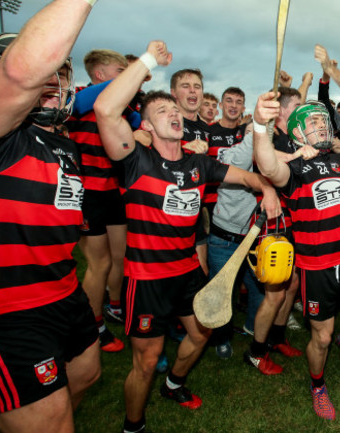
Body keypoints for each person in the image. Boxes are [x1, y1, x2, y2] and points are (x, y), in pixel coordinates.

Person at [93, 40, 280, 433]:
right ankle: (133, 424)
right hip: (145, 279)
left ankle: (174, 384)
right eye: (163, 110)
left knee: (201, 333)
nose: (174, 112)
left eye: (176, 109)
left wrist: (265, 189)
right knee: (147, 359)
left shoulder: (198, 163)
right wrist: (146, 61)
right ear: (145, 126)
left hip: (186, 273)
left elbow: (245, 176)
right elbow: (106, 110)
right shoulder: (134, 159)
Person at [0, 1, 101, 431]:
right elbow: (19, 73)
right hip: (5, 307)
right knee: (52, 418)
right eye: (45, 71)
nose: (50, 82)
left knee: (85, 374)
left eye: (59, 74)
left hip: (63, 288)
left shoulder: (63, 143)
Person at [253, 90, 340, 418]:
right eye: (313, 121)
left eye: (324, 119)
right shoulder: (292, 171)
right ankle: (318, 385)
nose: (322, 125)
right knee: (321, 336)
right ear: (296, 133)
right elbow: (266, 164)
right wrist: (257, 124)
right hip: (316, 268)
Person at [67, 48, 129, 353]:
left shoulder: (122, 106)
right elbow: (79, 104)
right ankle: (94, 326)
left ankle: (115, 305)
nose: (127, 78)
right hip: (87, 193)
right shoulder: (77, 97)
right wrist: (137, 69)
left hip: (113, 191)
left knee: (120, 256)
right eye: (121, 71)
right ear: (100, 75)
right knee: (99, 262)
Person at [244, 87, 305, 374]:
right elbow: (264, 161)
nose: (302, 111)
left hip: (293, 222)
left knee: (291, 285)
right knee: (275, 293)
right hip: (271, 223)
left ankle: (278, 339)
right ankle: (256, 352)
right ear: (281, 110)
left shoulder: (294, 137)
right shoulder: (269, 136)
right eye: (297, 105)